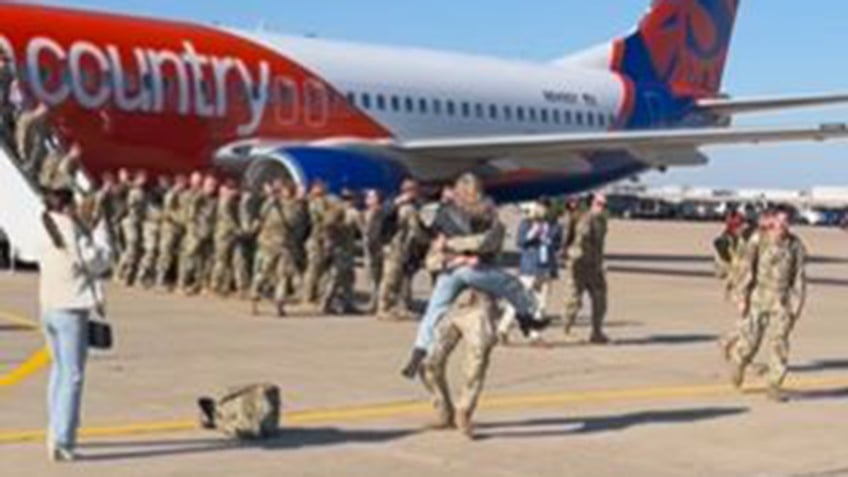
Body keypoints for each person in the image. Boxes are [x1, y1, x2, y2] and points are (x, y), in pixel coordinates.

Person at [401, 173, 546, 379]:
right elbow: (485, 243)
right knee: (512, 285)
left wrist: (448, 252)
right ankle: (526, 319)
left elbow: (431, 242)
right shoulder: (485, 213)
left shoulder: (442, 213)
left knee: (433, 311)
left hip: (449, 270)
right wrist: (463, 255)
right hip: (473, 269)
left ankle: (418, 353)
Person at [39, 188, 112, 462]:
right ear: (67, 207)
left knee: (59, 370)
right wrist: (101, 230)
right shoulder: (71, 232)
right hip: (70, 310)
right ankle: (63, 440)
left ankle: (54, 429)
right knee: (72, 375)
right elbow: (99, 261)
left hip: (49, 307)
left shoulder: (45, 227)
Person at [727, 207, 807, 402]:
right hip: (758, 297)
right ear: (772, 221)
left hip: (782, 301)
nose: (783, 226)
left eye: (787, 222)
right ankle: (739, 363)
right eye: (780, 221)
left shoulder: (796, 246)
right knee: (750, 342)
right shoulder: (758, 240)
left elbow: (799, 278)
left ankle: (774, 385)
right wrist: (741, 298)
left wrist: (796, 305)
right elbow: (745, 269)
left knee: (780, 343)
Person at [421, 289, 499, 439]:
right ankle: (444, 411)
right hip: (450, 307)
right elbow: (432, 265)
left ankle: (464, 411)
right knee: (428, 362)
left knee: (475, 365)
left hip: (478, 308)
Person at [498, 198, 563, 344]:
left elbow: (558, 244)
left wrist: (550, 243)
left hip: (545, 267)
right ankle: (503, 328)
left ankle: (535, 334)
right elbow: (520, 242)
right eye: (540, 206)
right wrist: (533, 233)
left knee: (542, 303)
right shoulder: (527, 223)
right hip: (529, 267)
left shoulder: (555, 226)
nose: (543, 210)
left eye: (545, 207)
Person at [562, 193, 610, 344]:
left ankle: (597, 332)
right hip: (579, 264)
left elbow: (599, 245)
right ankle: (567, 330)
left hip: (595, 266)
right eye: (599, 204)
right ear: (591, 204)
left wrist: (601, 262)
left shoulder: (602, 221)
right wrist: (571, 258)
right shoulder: (583, 219)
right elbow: (576, 240)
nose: (602, 208)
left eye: (604, 205)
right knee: (574, 299)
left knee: (600, 299)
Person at [376, 179, 427, 321]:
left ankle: (403, 306)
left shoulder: (417, 205)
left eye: (414, 189)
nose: (411, 192)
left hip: (409, 247)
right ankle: (384, 307)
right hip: (394, 246)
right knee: (391, 277)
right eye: (408, 189)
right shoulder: (395, 204)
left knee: (405, 278)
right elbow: (383, 218)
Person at [250, 181, 297, 317]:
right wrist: (271, 201)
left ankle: (279, 304)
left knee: (282, 275)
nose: (285, 193)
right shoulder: (270, 204)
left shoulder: (292, 206)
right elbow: (261, 215)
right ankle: (254, 298)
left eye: (288, 191)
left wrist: (281, 207)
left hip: (284, 245)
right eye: (283, 190)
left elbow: (291, 222)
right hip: (268, 244)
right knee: (263, 273)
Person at [318, 189, 360, 314]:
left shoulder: (334, 211)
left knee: (347, 277)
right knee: (336, 278)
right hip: (342, 248)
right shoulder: (349, 212)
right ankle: (325, 303)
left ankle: (348, 304)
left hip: (339, 248)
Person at [178, 174, 217, 295]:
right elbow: (191, 215)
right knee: (189, 258)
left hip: (207, 233)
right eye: (210, 185)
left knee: (205, 261)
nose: (212, 188)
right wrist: (194, 231)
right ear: (204, 185)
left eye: (214, 186)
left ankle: (200, 285)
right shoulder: (198, 198)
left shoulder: (213, 200)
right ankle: (182, 284)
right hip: (195, 233)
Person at [300, 181, 334, 306]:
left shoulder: (318, 201)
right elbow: (325, 218)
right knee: (313, 268)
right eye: (319, 188)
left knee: (320, 268)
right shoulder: (315, 203)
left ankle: (316, 294)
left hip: (320, 238)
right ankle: (307, 296)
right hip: (315, 239)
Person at [115, 170, 148, 286]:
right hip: (129, 221)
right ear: (137, 178)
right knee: (131, 247)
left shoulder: (141, 192)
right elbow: (130, 205)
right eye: (142, 179)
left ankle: (127, 276)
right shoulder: (133, 191)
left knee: (134, 249)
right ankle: (120, 273)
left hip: (136, 222)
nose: (144, 181)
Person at [155, 174, 187, 289]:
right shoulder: (171, 194)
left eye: (183, 183)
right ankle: (160, 280)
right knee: (165, 253)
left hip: (179, 228)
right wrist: (174, 191)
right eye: (180, 183)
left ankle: (176, 280)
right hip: (169, 228)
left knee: (178, 254)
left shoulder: (184, 195)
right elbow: (168, 209)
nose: (182, 185)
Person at [209, 181, 241, 296]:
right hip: (223, 235)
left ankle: (225, 286)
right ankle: (215, 285)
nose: (235, 192)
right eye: (233, 190)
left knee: (228, 261)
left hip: (229, 235)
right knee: (221, 260)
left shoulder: (232, 202)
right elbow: (228, 219)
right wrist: (238, 230)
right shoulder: (224, 202)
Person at [361, 189, 386, 313]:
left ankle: (377, 302)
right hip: (368, 247)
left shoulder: (380, 213)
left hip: (377, 248)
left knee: (378, 276)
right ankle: (374, 300)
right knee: (371, 276)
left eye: (371, 197)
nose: (367, 199)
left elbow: (378, 232)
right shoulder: (366, 214)